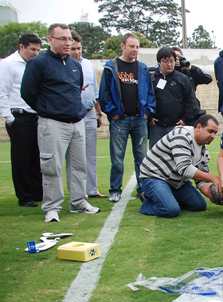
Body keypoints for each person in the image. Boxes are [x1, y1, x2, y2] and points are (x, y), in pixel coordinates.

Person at [21, 23, 100, 223]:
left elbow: (77, 90)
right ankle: (52, 207)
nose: (68, 43)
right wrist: (47, 109)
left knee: (79, 166)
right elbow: (27, 92)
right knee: (52, 166)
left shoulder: (75, 65)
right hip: (52, 123)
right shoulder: (38, 63)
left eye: (69, 39)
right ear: (50, 40)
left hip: (77, 122)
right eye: (63, 39)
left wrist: (79, 112)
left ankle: (79, 202)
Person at [98, 33, 156, 203]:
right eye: (132, 46)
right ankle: (115, 190)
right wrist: (112, 113)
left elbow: (150, 93)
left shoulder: (143, 68)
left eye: (137, 47)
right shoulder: (111, 67)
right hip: (119, 121)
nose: (135, 50)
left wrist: (147, 112)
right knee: (117, 158)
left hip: (139, 120)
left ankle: (143, 190)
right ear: (123, 46)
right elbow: (104, 94)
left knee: (142, 158)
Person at [138, 114, 219, 218]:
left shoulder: (204, 150)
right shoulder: (182, 135)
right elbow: (184, 169)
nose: (213, 136)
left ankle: (166, 196)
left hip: (176, 182)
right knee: (171, 210)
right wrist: (214, 178)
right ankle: (147, 200)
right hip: (154, 177)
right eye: (210, 131)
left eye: (215, 133)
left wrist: (211, 193)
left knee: (199, 205)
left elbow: (200, 180)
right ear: (198, 127)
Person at [0, 33, 43, 207]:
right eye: (32, 49)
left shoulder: (36, 65)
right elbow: (2, 92)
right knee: (21, 158)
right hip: (19, 116)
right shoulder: (8, 64)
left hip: (36, 115)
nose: (35, 53)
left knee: (36, 156)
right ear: (21, 47)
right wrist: (9, 118)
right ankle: (24, 196)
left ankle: (36, 192)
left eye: (38, 50)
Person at [70, 31, 104, 198]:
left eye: (79, 48)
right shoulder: (64, 65)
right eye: (74, 49)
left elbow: (94, 90)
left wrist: (98, 113)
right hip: (71, 114)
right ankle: (77, 192)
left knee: (90, 154)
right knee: (74, 156)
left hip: (89, 112)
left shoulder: (88, 64)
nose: (77, 52)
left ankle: (92, 189)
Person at [149, 47, 199, 146]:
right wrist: (149, 117)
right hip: (157, 127)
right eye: (165, 61)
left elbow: (191, 101)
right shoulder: (152, 78)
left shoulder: (183, 79)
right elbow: (146, 98)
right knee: (156, 158)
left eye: (172, 61)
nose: (169, 64)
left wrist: (185, 119)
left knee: (177, 155)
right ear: (159, 62)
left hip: (177, 126)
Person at [172, 46, 211, 120]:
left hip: (191, 112)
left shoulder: (189, 72)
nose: (177, 59)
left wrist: (191, 68)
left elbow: (208, 79)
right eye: (174, 56)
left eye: (179, 56)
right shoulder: (167, 73)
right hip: (175, 113)